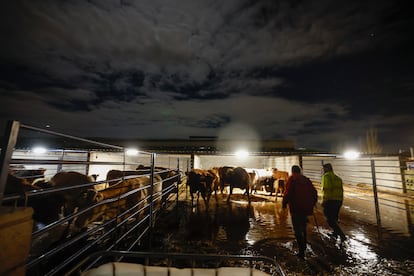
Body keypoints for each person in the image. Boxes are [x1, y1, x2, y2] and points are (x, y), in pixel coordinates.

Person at [282, 165, 318, 259]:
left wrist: (284, 203)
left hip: (296, 208)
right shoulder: (306, 180)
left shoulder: (292, 179)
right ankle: (304, 244)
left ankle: (301, 250)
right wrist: (313, 203)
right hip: (306, 209)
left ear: (292, 171)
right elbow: (314, 192)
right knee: (303, 226)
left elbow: (288, 192)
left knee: (297, 229)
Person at [321, 163, 347, 242]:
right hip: (339, 200)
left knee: (329, 218)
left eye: (323, 169)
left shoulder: (326, 177)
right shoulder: (337, 178)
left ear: (326, 169)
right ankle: (335, 233)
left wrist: (325, 200)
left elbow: (326, 189)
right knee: (334, 217)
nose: (322, 171)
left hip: (330, 200)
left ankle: (341, 235)